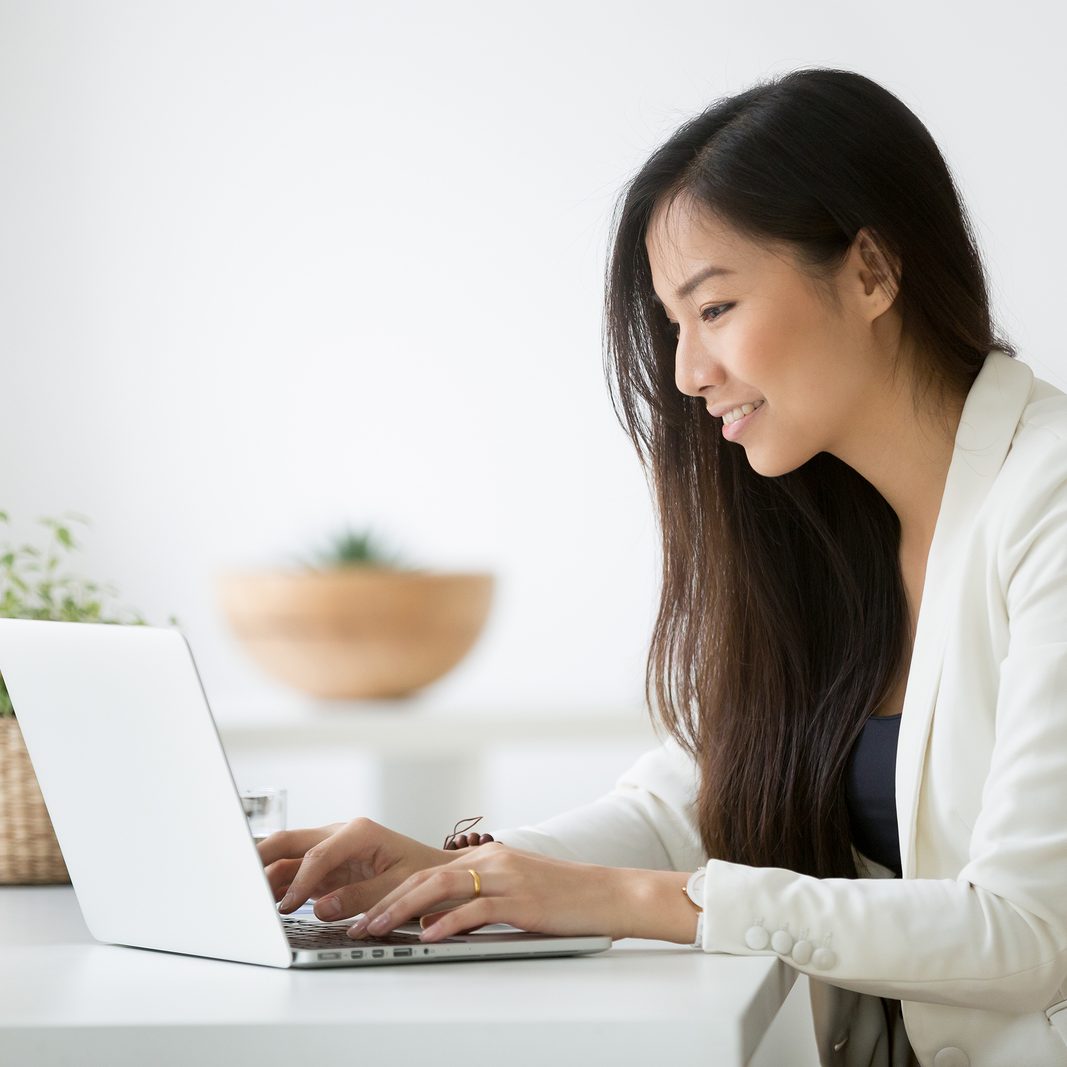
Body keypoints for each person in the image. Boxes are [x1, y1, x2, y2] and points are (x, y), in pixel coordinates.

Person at [257, 67, 1067, 1067]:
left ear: (868, 271)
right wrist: (461, 872)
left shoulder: (1049, 500)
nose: (686, 372)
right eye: (672, 324)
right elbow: (688, 803)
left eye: (714, 307)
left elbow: (1030, 932)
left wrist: (626, 901)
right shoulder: (832, 530)